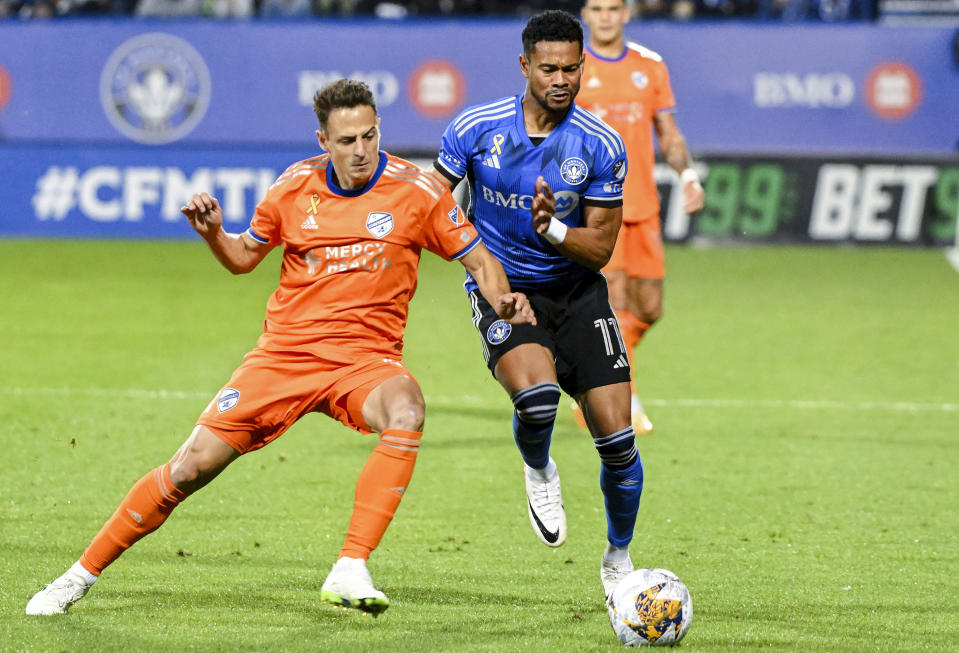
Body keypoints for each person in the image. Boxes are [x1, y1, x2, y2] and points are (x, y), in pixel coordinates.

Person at [26, 78, 534, 617]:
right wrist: (214, 234)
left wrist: (501, 301)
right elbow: (245, 256)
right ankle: (77, 577)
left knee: (407, 409)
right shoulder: (293, 188)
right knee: (189, 468)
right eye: (347, 141)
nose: (361, 150)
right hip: (284, 357)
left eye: (370, 136)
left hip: (364, 361)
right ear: (323, 141)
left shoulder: (418, 191)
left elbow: (479, 261)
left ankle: (351, 565)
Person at [431, 9, 641, 598]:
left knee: (618, 444)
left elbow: (599, 248)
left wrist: (552, 230)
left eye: (572, 69)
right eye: (549, 68)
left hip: (576, 293)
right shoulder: (475, 128)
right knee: (539, 398)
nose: (562, 80)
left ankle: (619, 558)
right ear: (525, 65)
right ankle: (540, 467)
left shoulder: (600, 144)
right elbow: (430, 206)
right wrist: (479, 265)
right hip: (505, 292)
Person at [576, 0, 705, 434]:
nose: (606, 15)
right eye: (597, 8)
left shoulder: (650, 66)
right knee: (612, 307)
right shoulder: (571, 67)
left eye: (614, 7)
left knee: (649, 309)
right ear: (586, 14)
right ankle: (617, 397)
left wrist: (686, 174)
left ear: (626, 13)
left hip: (644, 208)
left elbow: (668, 134)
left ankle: (588, 376)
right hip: (596, 210)